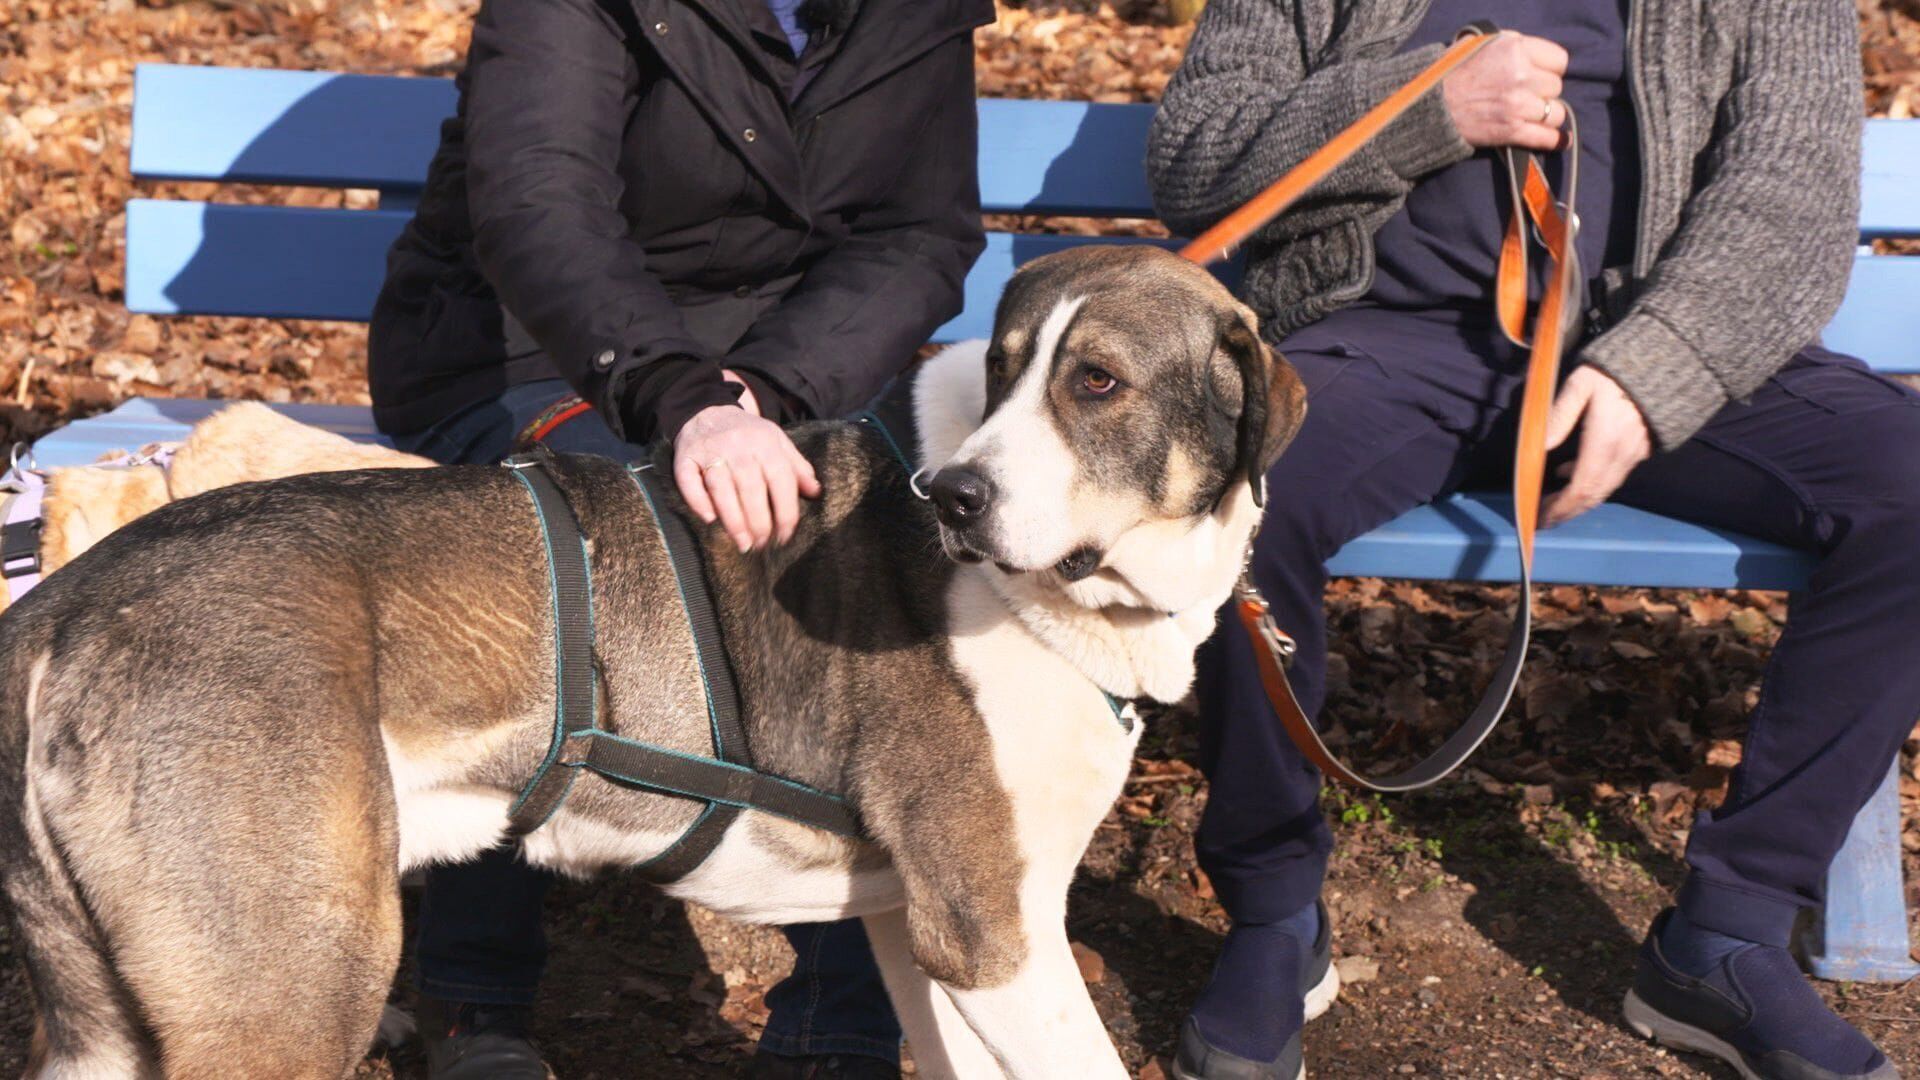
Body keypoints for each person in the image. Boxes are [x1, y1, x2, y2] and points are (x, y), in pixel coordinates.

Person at [1150, 2, 1910, 1079]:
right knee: (1242, 493)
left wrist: (1660, 367)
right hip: (1385, 339)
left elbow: (1789, 193)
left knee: (1910, 490)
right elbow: (1196, 156)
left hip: (1659, 338)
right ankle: (1273, 913)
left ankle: (1729, 931)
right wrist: (1429, 106)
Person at [366, 1, 992, 1076]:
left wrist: (772, 387)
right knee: (572, 544)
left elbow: (920, 232)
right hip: (542, 351)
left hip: (792, 365)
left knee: (877, 557)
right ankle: (478, 997)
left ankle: (841, 1025)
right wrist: (684, 395)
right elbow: (538, 202)